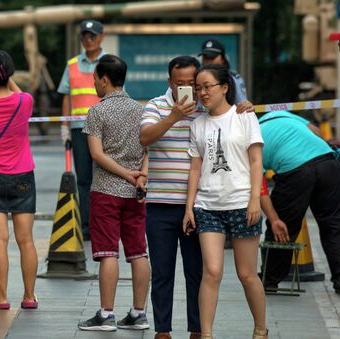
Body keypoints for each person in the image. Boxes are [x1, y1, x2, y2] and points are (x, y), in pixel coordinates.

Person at [183, 64, 267, 339]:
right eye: (198, 88)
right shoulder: (197, 124)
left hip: (242, 203)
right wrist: (189, 207)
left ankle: (260, 329)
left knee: (246, 274)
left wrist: (255, 199)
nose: (202, 93)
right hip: (208, 206)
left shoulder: (244, 116)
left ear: (224, 87)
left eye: (208, 86)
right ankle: (206, 334)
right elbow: (195, 168)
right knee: (212, 271)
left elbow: (256, 161)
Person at [77, 55, 150, 331]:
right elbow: (148, 149)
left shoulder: (97, 111)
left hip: (106, 191)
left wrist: (123, 174)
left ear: (105, 79)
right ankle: (139, 313)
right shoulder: (142, 110)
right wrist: (139, 176)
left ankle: (106, 315)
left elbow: (96, 154)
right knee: (138, 252)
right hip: (136, 192)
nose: (94, 84)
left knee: (108, 253)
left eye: (95, 79)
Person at [139, 56, 204, 339]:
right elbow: (145, 137)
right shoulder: (156, 105)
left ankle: (198, 329)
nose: (187, 88)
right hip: (160, 205)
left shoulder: (207, 107)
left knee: (198, 273)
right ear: (170, 82)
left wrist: (242, 106)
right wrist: (174, 116)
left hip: (199, 206)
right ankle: (162, 330)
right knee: (163, 272)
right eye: (180, 84)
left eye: (192, 83)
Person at [0, 50, 38, 310]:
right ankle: (29, 296)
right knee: (26, 240)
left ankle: (1, 297)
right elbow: (19, 92)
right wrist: (4, 75)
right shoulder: (25, 101)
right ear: (10, 73)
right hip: (23, 175)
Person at [258, 110, 340, 294]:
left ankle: (269, 279)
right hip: (328, 163)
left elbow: (260, 189)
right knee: (333, 226)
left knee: (281, 225)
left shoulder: (249, 138)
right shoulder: (281, 115)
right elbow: (316, 131)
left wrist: (274, 219)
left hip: (296, 170)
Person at [58, 19, 106, 241]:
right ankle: (86, 228)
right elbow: (67, 96)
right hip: (79, 129)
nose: (88, 40)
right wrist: (64, 126)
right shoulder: (73, 64)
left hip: (105, 130)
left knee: (104, 178)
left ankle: (103, 224)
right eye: (84, 36)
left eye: (92, 36)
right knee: (84, 180)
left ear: (101, 37)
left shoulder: (109, 63)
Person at [199, 39, 248, 105]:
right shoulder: (198, 78)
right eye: (206, 57)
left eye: (212, 57)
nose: (208, 61)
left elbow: (243, 105)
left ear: (222, 59)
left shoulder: (233, 79)